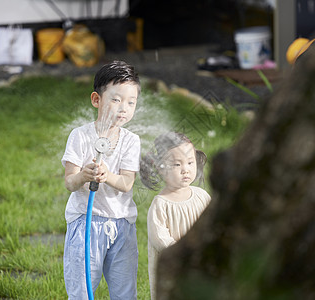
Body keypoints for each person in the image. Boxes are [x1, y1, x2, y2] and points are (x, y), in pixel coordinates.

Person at [61, 60, 141, 299]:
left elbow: (126, 183)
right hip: (86, 223)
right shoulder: (80, 136)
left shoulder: (131, 140)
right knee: (82, 291)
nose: (123, 108)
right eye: (116, 100)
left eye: (131, 102)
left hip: (122, 225)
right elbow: (69, 182)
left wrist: (108, 176)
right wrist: (84, 175)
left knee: (124, 292)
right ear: (97, 100)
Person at [140, 132, 211, 299]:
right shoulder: (161, 204)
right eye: (177, 165)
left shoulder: (202, 196)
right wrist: (183, 254)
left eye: (190, 162)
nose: (185, 169)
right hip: (176, 265)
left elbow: (212, 222)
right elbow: (160, 239)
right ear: (160, 168)